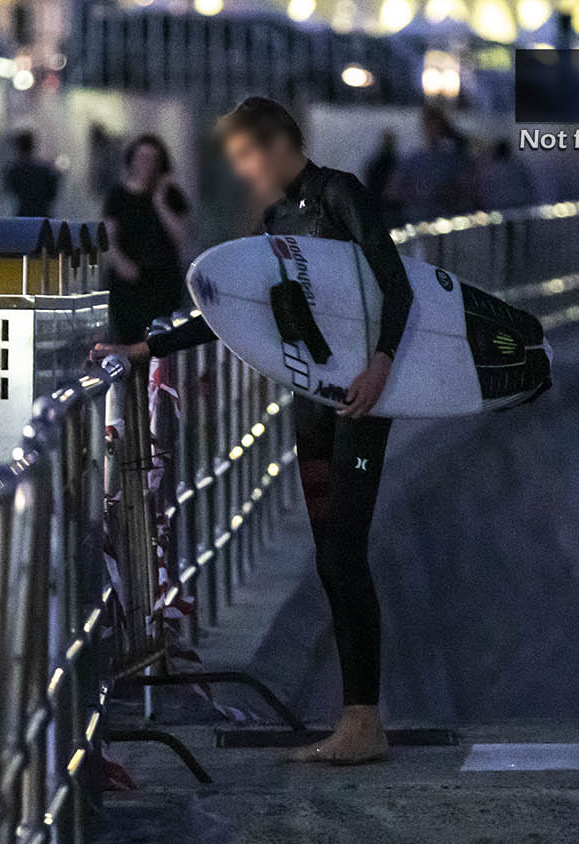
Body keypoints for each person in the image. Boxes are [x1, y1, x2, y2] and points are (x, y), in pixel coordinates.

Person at [94, 97, 413, 764]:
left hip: (362, 406)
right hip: (314, 407)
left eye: (245, 155)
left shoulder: (339, 195)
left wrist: (381, 366)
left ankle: (364, 720)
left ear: (273, 143)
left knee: (343, 554)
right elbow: (233, 314)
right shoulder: (279, 219)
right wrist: (141, 353)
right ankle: (357, 718)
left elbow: (397, 285)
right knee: (329, 556)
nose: (242, 170)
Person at [103, 134, 194, 343]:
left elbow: (181, 236)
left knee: (161, 340)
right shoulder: (117, 196)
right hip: (128, 282)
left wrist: (160, 202)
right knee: (129, 340)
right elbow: (109, 237)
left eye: (153, 159)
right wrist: (121, 263)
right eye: (141, 158)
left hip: (162, 281)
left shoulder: (171, 195)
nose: (147, 164)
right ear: (132, 160)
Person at [3, 130, 60, 217]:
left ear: (18, 148)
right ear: (33, 146)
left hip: (23, 217)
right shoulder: (45, 169)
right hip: (43, 217)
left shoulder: (14, 171)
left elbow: (10, 190)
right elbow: (53, 193)